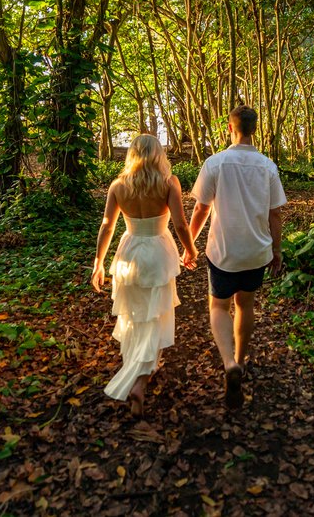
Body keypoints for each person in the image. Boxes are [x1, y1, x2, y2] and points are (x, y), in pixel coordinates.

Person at [189, 106, 287, 409]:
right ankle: (242, 360)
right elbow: (276, 214)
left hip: (223, 251)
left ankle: (229, 362)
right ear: (254, 130)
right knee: (245, 304)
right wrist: (276, 250)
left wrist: (188, 244)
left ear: (229, 129)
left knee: (219, 306)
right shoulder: (267, 166)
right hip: (256, 251)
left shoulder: (215, 163)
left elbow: (201, 209)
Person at [92, 134, 197, 416]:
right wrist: (191, 249)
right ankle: (140, 380)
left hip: (129, 251)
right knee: (155, 315)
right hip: (158, 252)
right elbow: (180, 223)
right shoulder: (168, 183)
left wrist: (98, 262)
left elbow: (107, 226)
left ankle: (134, 366)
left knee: (132, 315)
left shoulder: (118, 185)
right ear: (158, 154)